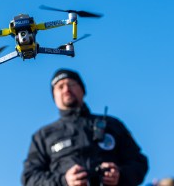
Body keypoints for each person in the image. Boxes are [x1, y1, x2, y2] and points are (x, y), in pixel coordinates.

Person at [21, 69, 149, 186]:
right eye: (60, 87)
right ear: (54, 97)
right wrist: (64, 180)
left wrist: (120, 174)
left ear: (83, 90)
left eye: (71, 84)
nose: (66, 89)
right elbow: (29, 178)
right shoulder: (43, 136)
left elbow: (139, 162)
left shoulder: (112, 124)